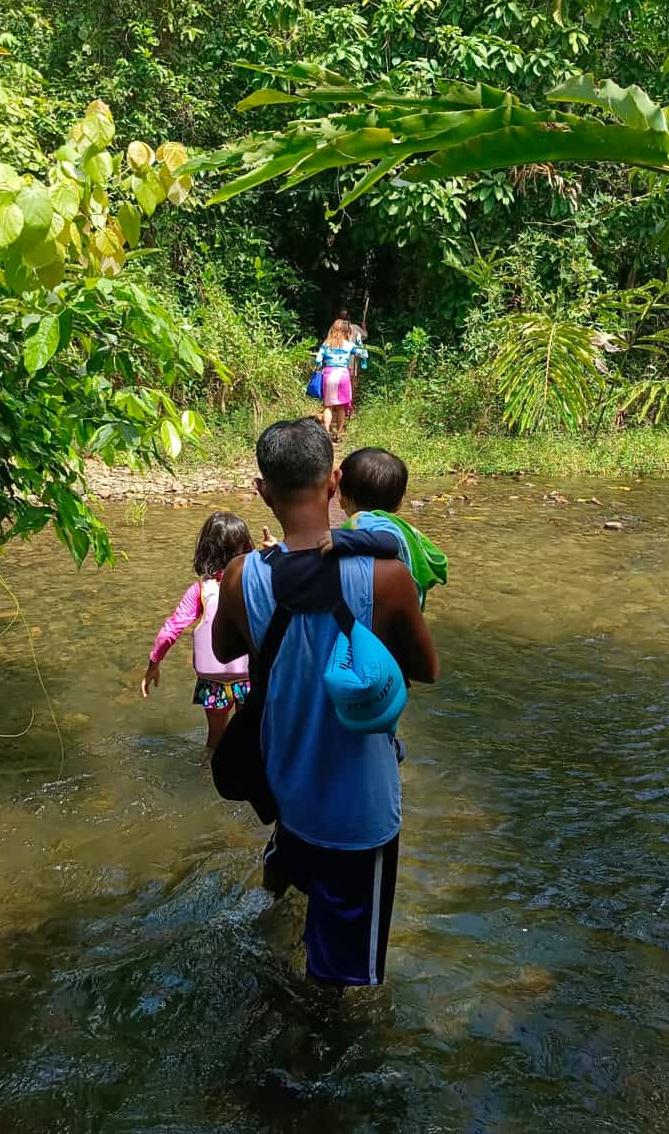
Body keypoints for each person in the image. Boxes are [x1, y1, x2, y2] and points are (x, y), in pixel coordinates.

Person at [211, 418, 439, 988]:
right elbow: (426, 670)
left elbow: (222, 648)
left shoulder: (242, 575)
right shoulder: (387, 578)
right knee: (338, 986)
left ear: (262, 491)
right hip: (358, 814)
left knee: (291, 891)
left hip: (289, 796)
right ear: (334, 482)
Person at [141, 511, 254, 756]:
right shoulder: (255, 583)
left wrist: (154, 663)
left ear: (206, 550)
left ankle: (208, 774)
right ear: (247, 546)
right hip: (248, 680)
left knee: (215, 741)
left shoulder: (200, 591)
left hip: (213, 683)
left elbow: (171, 630)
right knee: (250, 737)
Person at [318, 447, 448, 608]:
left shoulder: (367, 519)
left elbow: (390, 541)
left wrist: (343, 538)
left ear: (342, 498)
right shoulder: (402, 528)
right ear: (400, 502)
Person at [314, 318, 366, 442]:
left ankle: (326, 433)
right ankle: (338, 434)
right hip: (343, 374)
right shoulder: (349, 345)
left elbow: (317, 360)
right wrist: (359, 342)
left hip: (328, 374)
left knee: (328, 406)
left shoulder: (326, 344)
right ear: (346, 331)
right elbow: (363, 354)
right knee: (341, 407)